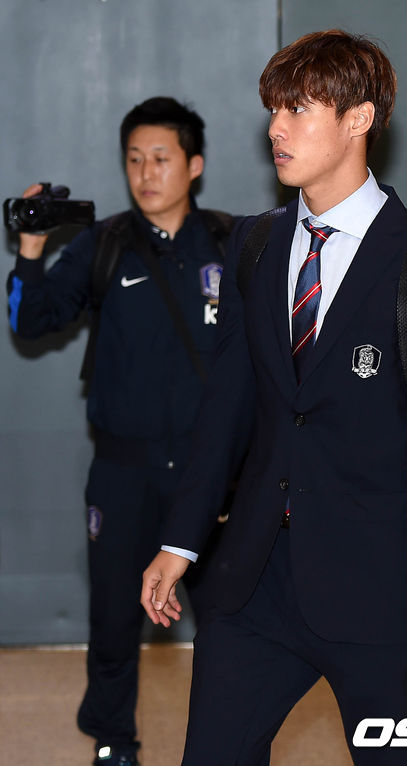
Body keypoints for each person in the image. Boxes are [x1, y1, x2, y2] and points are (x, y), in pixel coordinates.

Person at [141, 31, 407, 765]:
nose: (275, 129)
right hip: (253, 585)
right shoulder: (254, 246)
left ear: (359, 119)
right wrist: (180, 541)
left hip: (379, 592)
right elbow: (226, 409)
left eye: (298, 110)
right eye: (273, 109)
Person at [7, 97, 234, 766]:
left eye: (161, 158)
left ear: (194, 165)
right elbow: (30, 320)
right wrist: (29, 246)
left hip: (210, 474)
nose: (146, 173)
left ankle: (228, 743)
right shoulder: (103, 245)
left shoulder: (231, 244)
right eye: (134, 159)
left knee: (230, 624)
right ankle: (114, 742)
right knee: (113, 619)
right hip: (123, 471)